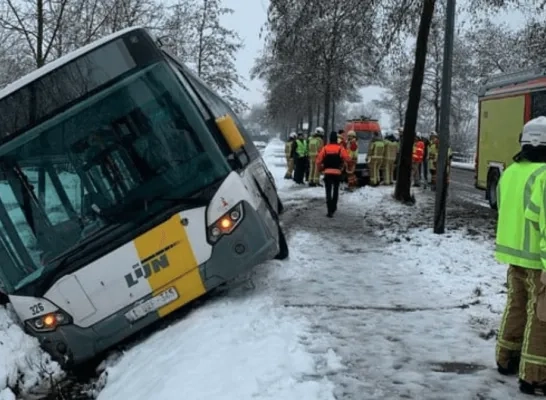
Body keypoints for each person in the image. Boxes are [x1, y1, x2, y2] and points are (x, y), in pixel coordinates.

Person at [496, 116, 546, 395]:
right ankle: (535, 376)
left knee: (516, 305)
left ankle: (506, 358)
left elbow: (504, 209)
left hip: (514, 255)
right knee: (542, 318)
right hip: (539, 260)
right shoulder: (545, 175)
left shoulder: (511, 171)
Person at [316, 131, 351, 217]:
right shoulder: (340, 148)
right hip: (337, 172)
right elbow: (347, 159)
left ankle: (329, 210)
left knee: (328, 191)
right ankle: (334, 206)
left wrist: (320, 168)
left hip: (327, 172)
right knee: (335, 190)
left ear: (329, 139)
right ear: (336, 139)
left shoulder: (325, 148)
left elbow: (318, 160)